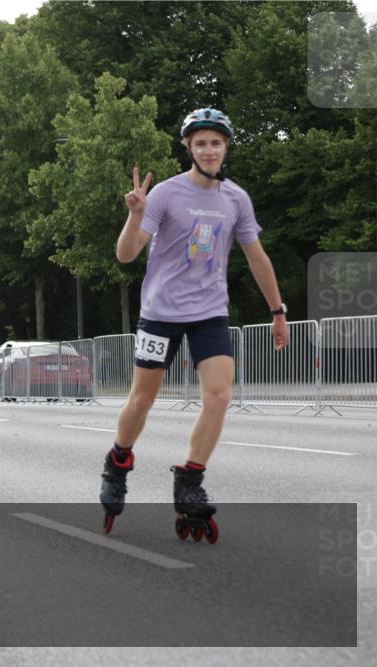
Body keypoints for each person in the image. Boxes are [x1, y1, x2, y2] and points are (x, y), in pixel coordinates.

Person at [101, 108, 290, 540]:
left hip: (209, 312)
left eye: (216, 143)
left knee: (220, 397)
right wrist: (134, 214)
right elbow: (126, 255)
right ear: (188, 148)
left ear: (225, 149)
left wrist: (277, 312)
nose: (208, 150)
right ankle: (118, 460)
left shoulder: (236, 199)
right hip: (160, 313)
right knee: (142, 401)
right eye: (200, 143)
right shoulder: (165, 195)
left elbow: (257, 258)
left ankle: (190, 480)